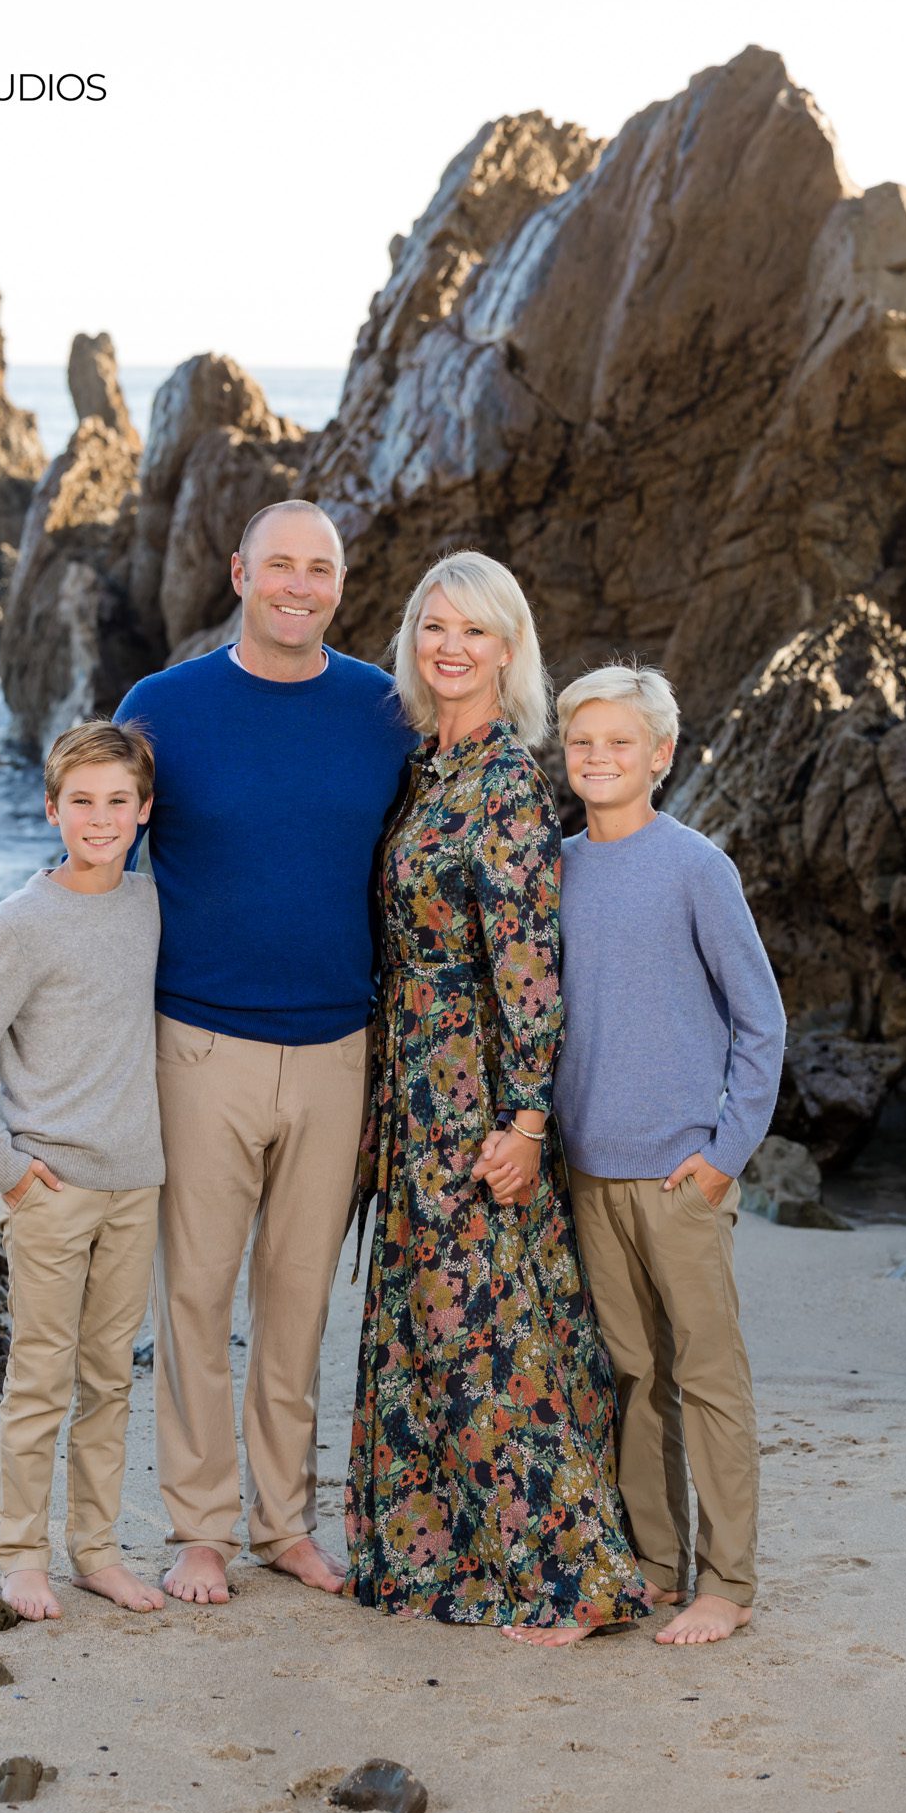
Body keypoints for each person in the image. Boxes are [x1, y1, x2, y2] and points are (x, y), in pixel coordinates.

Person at [344, 551, 648, 1645]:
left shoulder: (510, 781)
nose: (451, 646)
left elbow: (528, 965)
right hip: (414, 1087)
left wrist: (522, 1122)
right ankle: (439, 1556)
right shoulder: (428, 763)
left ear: (508, 649)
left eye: (474, 629)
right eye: (435, 625)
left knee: (497, 1334)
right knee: (430, 1332)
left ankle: (578, 1581)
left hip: (475, 1093)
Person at [116, 500, 415, 1606]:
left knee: (297, 1303)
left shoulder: (385, 708)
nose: (299, 583)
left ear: (341, 582)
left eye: (320, 567)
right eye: (279, 562)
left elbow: (423, 868)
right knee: (194, 1296)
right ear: (240, 570)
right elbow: (98, 853)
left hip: (341, 1048)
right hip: (198, 1045)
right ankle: (199, 1526)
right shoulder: (163, 705)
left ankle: (284, 1522)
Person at [553, 664, 786, 1645]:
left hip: (681, 1174)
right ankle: (653, 1563)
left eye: (619, 742)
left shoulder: (697, 866)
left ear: (661, 754)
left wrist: (728, 1148)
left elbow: (760, 1021)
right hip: (588, 1172)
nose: (599, 758)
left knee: (707, 1374)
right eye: (581, 743)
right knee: (630, 1373)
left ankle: (726, 1580)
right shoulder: (555, 866)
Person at [0, 720, 165, 1622]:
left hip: (135, 1183)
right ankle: (21, 1554)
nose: (100, 819)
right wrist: (6, 1168)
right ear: (52, 809)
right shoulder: (22, 923)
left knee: (110, 1379)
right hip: (50, 1192)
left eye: (118, 802)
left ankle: (97, 1550)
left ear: (144, 812)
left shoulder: (149, 906)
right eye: (82, 803)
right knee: (41, 1378)